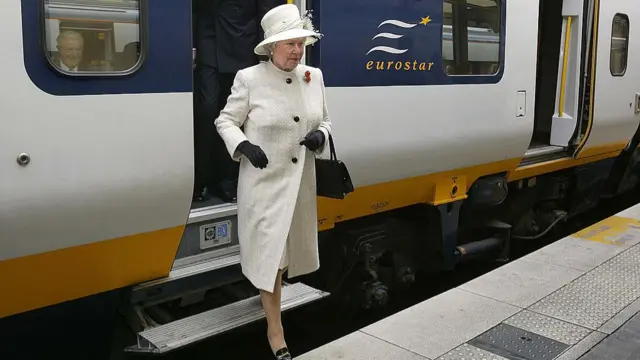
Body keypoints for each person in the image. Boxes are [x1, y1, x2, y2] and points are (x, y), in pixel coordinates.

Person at [213, 4, 329, 359]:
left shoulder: (314, 76)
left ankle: (273, 316)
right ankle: (275, 330)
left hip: (297, 186)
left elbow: (325, 121)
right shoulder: (249, 79)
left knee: (285, 256)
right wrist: (244, 145)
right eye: (290, 44)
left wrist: (320, 137)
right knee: (272, 259)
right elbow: (225, 121)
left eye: (301, 43)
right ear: (272, 46)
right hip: (264, 186)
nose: (297, 50)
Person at [192, 0, 284, 203]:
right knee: (207, 109)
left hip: (240, 42)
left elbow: (266, 10)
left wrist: (267, 54)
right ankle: (201, 179)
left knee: (235, 114)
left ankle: (227, 180)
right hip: (207, 37)